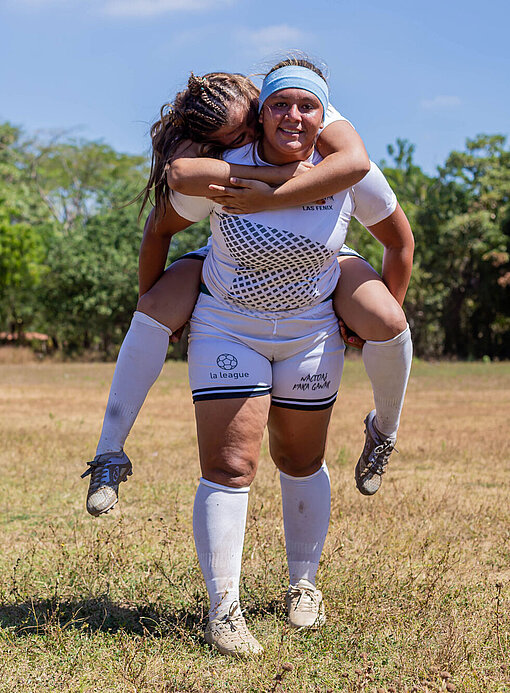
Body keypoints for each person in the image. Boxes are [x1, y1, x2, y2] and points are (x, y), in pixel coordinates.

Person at [88, 58, 412, 656]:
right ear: (260, 114)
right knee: (231, 466)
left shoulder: (346, 172)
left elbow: (399, 239)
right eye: (280, 104)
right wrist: (164, 309)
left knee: (300, 459)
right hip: (227, 328)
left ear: (326, 116)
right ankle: (224, 610)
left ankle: (303, 585)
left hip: (310, 330)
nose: (293, 116)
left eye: (307, 106)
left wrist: (359, 326)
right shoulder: (224, 174)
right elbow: (171, 199)